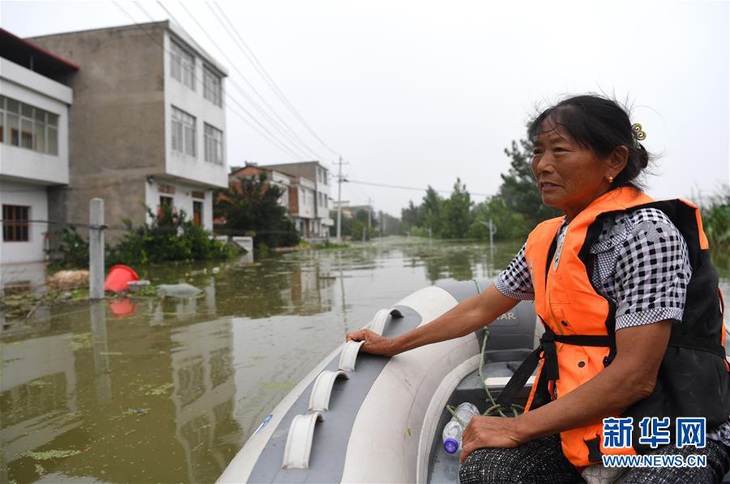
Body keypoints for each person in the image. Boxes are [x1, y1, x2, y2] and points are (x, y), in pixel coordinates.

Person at [346, 94, 730, 483]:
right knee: (485, 469)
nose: (542, 166)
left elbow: (635, 377)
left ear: (614, 160)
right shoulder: (549, 239)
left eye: (559, 151)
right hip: (593, 428)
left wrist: (515, 427)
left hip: (670, 432)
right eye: (537, 152)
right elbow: (480, 309)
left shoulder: (647, 232)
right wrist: (395, 344)